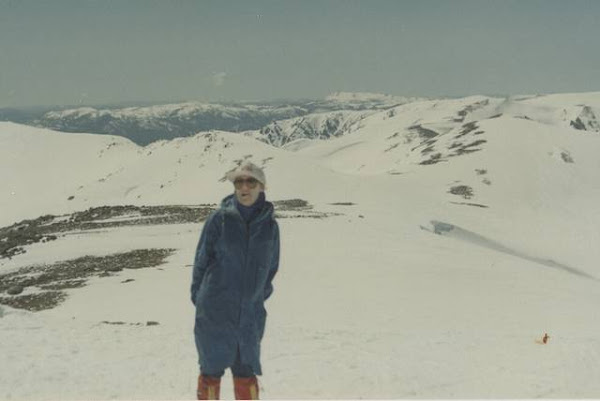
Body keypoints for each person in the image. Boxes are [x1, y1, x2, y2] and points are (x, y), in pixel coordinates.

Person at [191, 161, 280, 400]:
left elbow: (271, 267)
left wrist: (256, 297)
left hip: (249, 313)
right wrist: (201, 299)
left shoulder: (270, 226)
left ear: (262, 187)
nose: (244, 187)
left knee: (245, 372)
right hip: (214, 311)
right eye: (239, 182)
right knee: (210, 371)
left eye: (251, 182)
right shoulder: (218, 220)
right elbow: (201, 261)